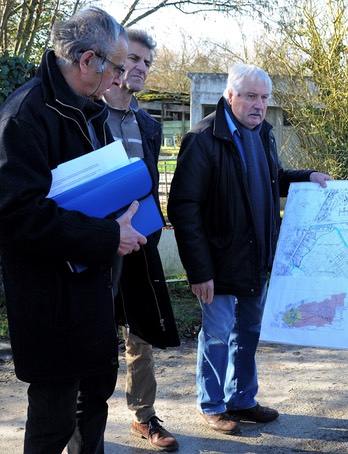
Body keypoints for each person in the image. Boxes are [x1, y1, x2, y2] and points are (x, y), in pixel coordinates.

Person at [0, 7, 147, 453]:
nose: (121, 78)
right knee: (53, 418)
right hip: (51, 302)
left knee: (92, 408)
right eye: (118, 68)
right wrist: (106, 237)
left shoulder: (90, 110)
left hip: (94, 291)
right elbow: (16, 215)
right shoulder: (24, 116)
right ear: (87, 61)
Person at [167, 63, 332, 435]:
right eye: (251, 96)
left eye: (264, 98)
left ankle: (241, 399)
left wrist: (306, 177)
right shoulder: (204, 138)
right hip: (219, 264)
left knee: (249, 331)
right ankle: (211, 405)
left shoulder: (262, 134)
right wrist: (199, 271)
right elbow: (184, 208)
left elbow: (271, 179)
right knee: (217, 334)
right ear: (230, 96)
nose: (260, 104)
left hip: (256, 259)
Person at [103, 28, 181, 451]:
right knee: (92, 331)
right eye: (133, 58)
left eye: (147, 63)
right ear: (113, 59)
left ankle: (144, 416)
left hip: (140, 243)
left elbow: (149, 184)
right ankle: (81, 420)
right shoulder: (85, 113)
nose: (140, 68)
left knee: (140, 335)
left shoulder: (148, 124)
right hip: (95, 244)